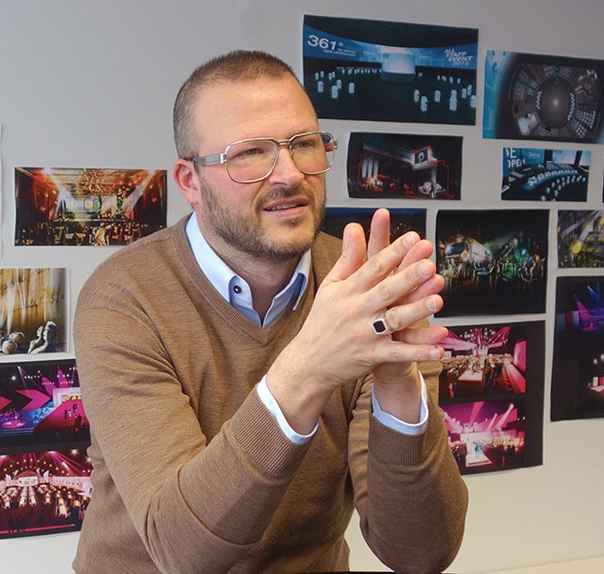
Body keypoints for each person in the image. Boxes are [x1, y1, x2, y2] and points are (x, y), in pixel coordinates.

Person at [71, 50, 468, 574]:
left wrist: (397, 384)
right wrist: (311, 366)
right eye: (249, 153)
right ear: (190, 182)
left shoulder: (370, 292)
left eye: (303, 144)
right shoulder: (125, 298)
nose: (289, 174)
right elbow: (183, 551)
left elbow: (420, 553)